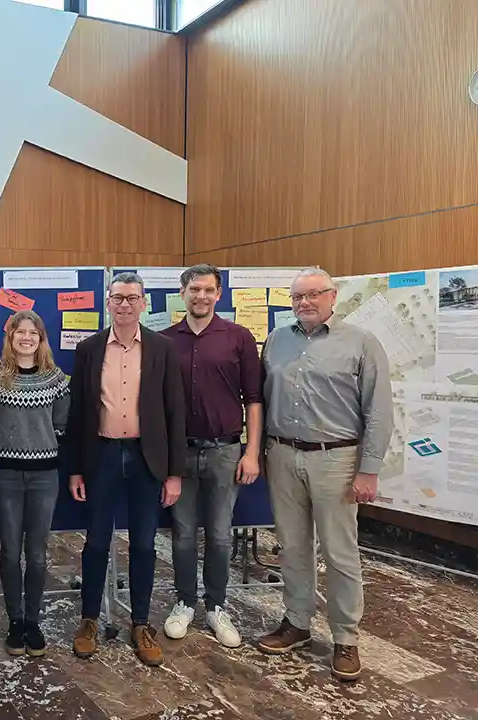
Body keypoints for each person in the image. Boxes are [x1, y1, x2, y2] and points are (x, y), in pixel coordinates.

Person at [258, 267, 393, 681]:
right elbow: (262, 398)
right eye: (298, 296)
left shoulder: (362, 342)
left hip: (336, 459)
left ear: (333, 296)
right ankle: (297, 622)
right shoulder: (277, 340)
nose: (305, 302)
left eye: (314, 294)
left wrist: (368, 471)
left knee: (339, 551)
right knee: (292, 547)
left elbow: (379, 412)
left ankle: (345, 638)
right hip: (282, 455)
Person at [67, 271, 187, 667]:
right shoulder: (88, 349)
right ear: (108, 302)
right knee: (96, 541)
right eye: (117, 297)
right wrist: (75, 470)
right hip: (100, 455)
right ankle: (89, 620)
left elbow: (175, 412)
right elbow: (79, 413)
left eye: (132, 298)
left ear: (143, 303)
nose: (124, 304)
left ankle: (140, 623)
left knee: (144, 544)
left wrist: (174, 473)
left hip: (146, 457)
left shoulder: (162, 348)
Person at [161, 264, 262, 648]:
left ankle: (216, 606)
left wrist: (251, 453)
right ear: (182, 293)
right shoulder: (165, 340)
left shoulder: (238, 337)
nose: (201, 296)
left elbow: (254, 399)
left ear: (219, 294)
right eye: (194, 289)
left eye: (208, 290)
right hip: (180, 453)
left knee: (220, 536)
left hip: (225, 451)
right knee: (183, 534)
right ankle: (185, 602)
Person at [0, 310, 70, 658]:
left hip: (45, 477)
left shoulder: (55, 378)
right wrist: (4, 451)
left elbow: (61, 424)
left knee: (37, 554)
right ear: (11, 337)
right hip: (6, 477)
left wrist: (40, 447)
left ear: (41, 338)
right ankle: (15, 621)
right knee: (9, 551)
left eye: (33, 332)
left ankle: (33, 621)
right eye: (20, 332)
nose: (26, 337)